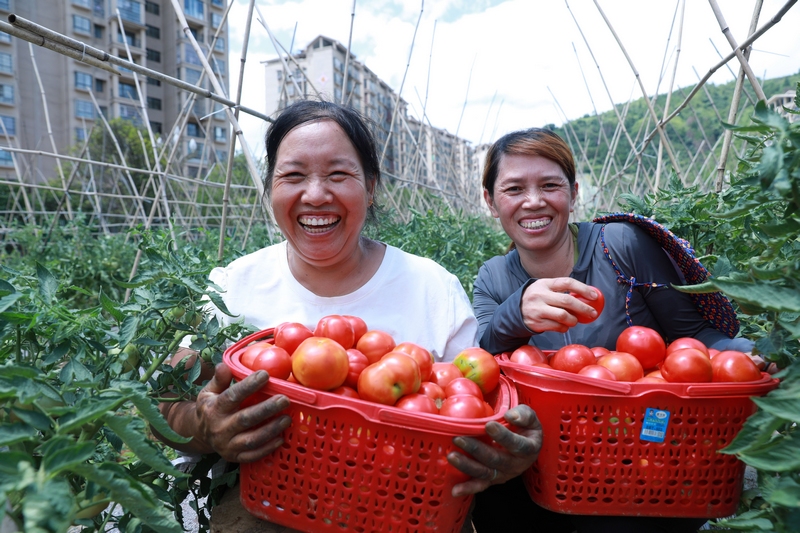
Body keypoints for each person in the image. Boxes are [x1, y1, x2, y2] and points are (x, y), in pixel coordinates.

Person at [155, 100, 543, 533]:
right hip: (268, 514)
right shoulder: (232, 288)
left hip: (408, 513)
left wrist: (504, 452)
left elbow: (477, 405)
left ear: (371, 186)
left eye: (338, 175)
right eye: (293, 175)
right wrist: (205, 428)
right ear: (270, 188)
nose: (316, 194)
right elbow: (164, 411)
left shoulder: (431, 287)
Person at [470, 127, 753, 533]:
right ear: (491, 202)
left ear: (573, 192)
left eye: (550, 185)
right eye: (514, 188)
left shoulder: (621, 245)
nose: (534, 201)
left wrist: (743, 353)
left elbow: (697, 336)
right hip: (550, 464)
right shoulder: (494, 277)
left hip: (648, 453)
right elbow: (481, 357)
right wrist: (515, 313)